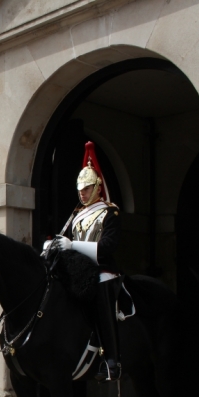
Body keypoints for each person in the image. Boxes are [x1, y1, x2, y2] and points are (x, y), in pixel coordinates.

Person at [45, 141, 122, 381]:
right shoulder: (77, 215)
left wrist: (73, 245)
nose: (82, 192)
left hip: (102, 270)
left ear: (98, 186)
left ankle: (111, 360)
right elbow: (65, 241)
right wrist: (53, 246)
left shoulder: (109, 212)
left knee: (100, 286)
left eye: (87, 187)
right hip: (79, 271)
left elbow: (107, 248)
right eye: (80, 188)